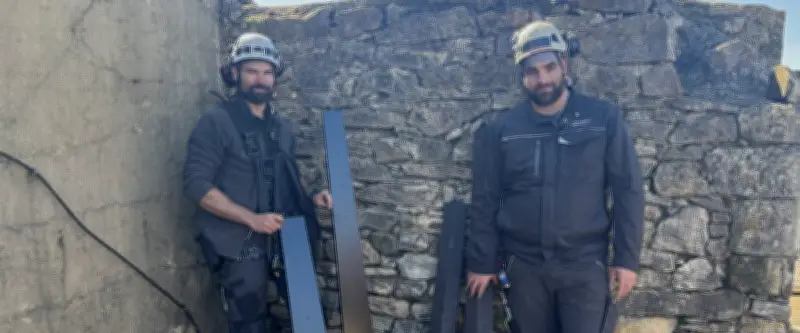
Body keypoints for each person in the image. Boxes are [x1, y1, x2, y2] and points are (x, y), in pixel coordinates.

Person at [465, 20, 645, 333]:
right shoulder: (502, 130)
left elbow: (627, 189)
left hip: (585, 264)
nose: (543, 79)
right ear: (522, 75)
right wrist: (482, 261)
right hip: (524, 266)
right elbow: (485, 197)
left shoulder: (602, 119)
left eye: (549, 67)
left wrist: (627, 259)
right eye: (532, 72)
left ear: (564, 64)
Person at [182, 32, 333, 333]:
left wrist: (312, 197)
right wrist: (251, 218)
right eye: (251, 71)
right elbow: (196, 184)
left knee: (311, 317)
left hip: (285, 237)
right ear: (234, 73)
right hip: (239, 242)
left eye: (267, 72)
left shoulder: (281, 128)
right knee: (249, 324)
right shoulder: (216, 123)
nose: (260, 79)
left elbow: (280, 180)